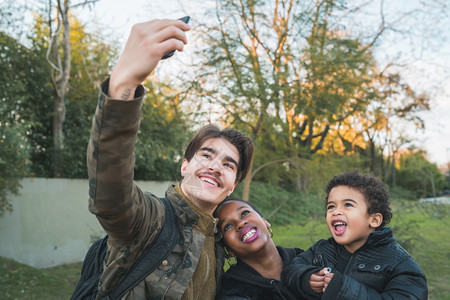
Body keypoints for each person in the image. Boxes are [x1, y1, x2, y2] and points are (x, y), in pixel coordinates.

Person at [84, 18, 254, 299]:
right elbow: (110, 190)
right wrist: (124, 84)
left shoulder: (221, 244)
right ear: (185, 165)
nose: (215, 166)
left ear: (232, 185)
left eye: (228, 164)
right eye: (206, 155)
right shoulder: (149, 220)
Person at [282, 170, 428, 299]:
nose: (336, 211)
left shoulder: (400, 265)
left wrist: (344, 291)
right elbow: (291, 270)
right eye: (331, 206)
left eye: (348, 205)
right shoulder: (321, 250)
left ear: (374, 219)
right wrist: (306, 278)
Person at [213, 198, 303, 300]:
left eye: (244, 213)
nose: (240, 224)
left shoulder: (306, 259)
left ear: (265, 222)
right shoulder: (230, 291)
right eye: (227, 226)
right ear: (229, 251)